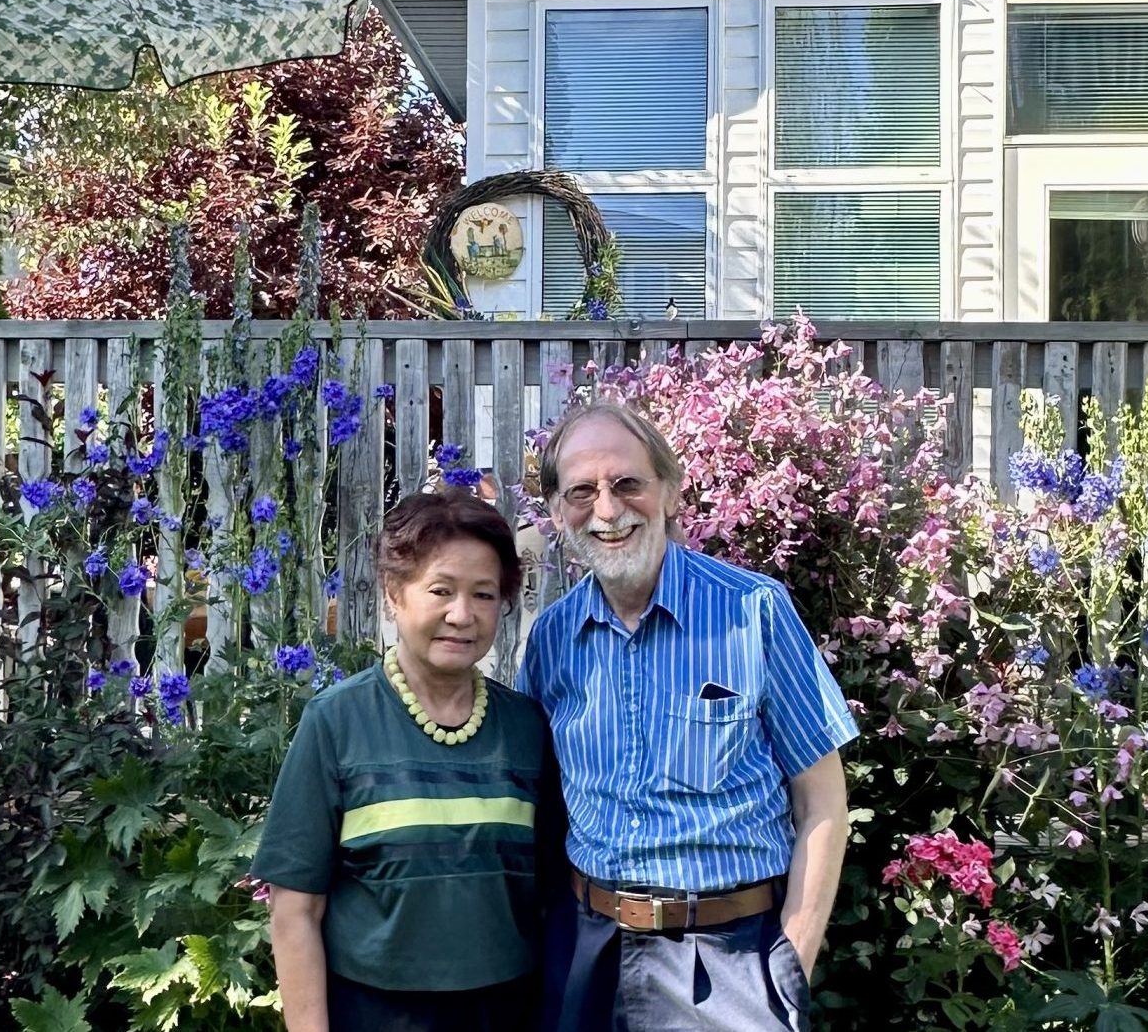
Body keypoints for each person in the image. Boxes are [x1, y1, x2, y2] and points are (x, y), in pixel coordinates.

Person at [518, 402, 857, 1032]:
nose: (608, 509)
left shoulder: (754, 612)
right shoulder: (551, 639)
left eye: (627, 484)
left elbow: (823, 806)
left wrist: (791, 963)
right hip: (585, 953)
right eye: (582, 492)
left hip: (728, 960)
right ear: (560, 511)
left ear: (671, 493)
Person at [252, 490, 551, 1032]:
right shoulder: (337, 723)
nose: (462, 615)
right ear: (394, 592)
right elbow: (295, 911)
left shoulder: (528, 729)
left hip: (509, 1013)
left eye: (484, 595)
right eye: (441, 590)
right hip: (374, 1013)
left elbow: (551, 896)